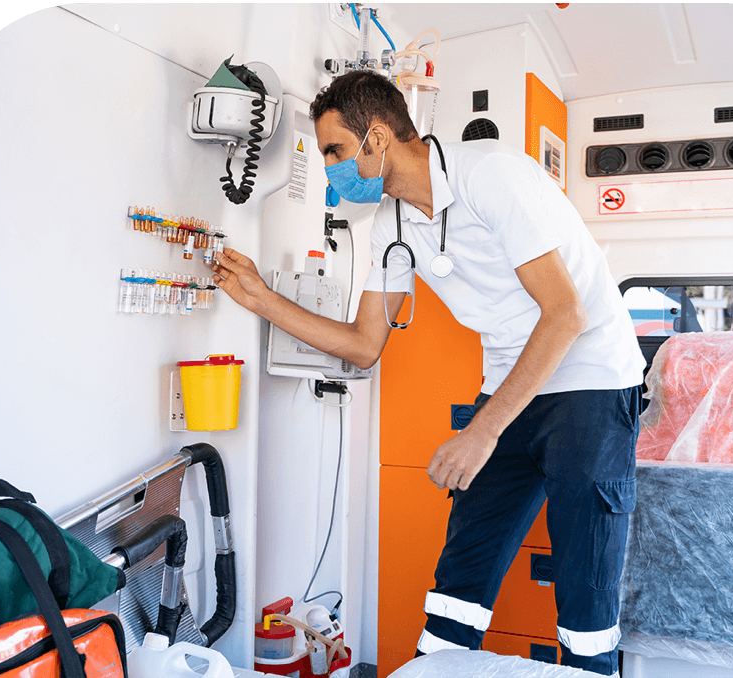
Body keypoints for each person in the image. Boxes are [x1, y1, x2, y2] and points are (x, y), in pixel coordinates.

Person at [211, 69, 645, 677]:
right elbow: (364, 345)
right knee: (462, 571)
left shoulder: (489, 174)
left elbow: (565, 314)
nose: (331, 166)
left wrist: (482, 431)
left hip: (590, 380)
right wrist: (261, 299)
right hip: (511, 384)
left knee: (584, 598)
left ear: (378, 138)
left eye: (335, 149)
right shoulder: (389, 224)